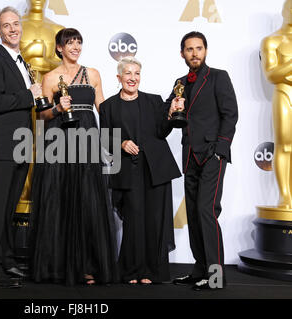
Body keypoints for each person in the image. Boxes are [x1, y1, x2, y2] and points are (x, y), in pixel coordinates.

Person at [30, 28, 118, 286]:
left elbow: (102, 108)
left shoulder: (92, 74)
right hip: (59, 141)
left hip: (88, 141)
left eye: (79, 42)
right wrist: (58, 107)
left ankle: (89, 266)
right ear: (59, 48)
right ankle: (60, 267)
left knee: (88, 201)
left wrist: (123, 124)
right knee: (60, 200)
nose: (76, 47)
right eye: (70, 43)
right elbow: (42, 116)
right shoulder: (49, 78)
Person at [100, 56, 181, 285]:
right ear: (119, 77)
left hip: (155, 170)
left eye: (136, 73)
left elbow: (162, 131)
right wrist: (122, 143)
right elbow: (104, 137)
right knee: (133, 221)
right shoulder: (108, 106)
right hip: (128, 171)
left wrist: (171, 114)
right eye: (128, 73)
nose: (132, 78)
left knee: (154, 221)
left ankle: (151, 272)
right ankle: (131, 271)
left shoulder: (154, 101)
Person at [168, 31, 238, 290]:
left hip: (212, 154)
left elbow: (231, 114)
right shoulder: (180, 82)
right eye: (189, 49)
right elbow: (169, 116)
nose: (194, 53)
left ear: (205, 51)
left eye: (199, 48)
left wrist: (221, 148)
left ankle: (216, 275)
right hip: (190, 157)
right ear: (182, 53)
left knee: (206, 212)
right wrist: (171, 109)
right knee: (194, 215)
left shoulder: (219, 77)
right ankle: (200, 270)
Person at [0, 6, 42, 288]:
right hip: (4, 144)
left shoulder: (22, 61)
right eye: (7, 26)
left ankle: (5, 258)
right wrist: (28, 94)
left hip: (20, 145)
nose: (13, 29)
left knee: (9, 206)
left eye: (16, 24)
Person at [261, 0, 292, 209]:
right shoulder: (272, 41)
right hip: (284, 94)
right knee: (285, 146)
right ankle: (285, 196)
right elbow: (272, 74)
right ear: (285, 11)